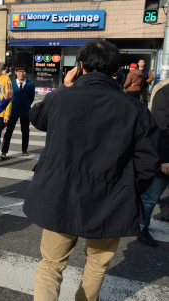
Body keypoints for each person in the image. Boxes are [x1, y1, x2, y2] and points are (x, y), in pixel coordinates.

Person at [24, 39, 159, 300]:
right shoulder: (134, 108)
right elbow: (148, 162)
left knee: (51, 265)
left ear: (80, 65)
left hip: (59, 195)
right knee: (96, 266)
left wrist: (63, 88)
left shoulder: (62, 97)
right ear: (116, 70)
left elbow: (37, 118)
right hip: (110, 199)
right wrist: (128, 189)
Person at [137, 78, 169, 247]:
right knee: (151, 196)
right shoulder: (164, 91)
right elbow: (161, 127)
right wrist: (164, 160)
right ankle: (141, 226)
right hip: (166, 154)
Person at [0, 64, 35, 159]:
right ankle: (4, 151)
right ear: (15, 73)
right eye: (19, 71)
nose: (21, 73)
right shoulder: (10, 83)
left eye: (23, 71)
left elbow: (31, 98)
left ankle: (24, 149)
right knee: (9, 131)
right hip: (12, 111)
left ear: (26, 72)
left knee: (25, 131)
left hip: (25, 112)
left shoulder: (30, 84)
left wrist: (26, 105)